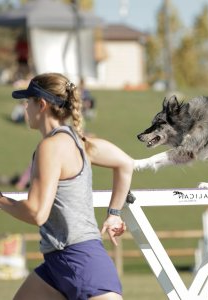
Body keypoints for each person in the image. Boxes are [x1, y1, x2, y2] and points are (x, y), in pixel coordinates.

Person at [0, 73, 134, 300]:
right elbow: (125, 163)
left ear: (41, 104)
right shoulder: (78, 140)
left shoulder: (50, 147)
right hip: (57, 264)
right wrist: (113, 213)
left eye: (28, 101)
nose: (24, 107)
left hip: (81, 263)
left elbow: (36, 213)